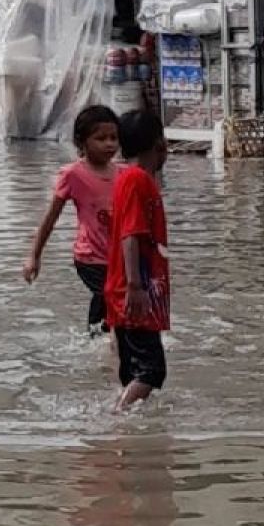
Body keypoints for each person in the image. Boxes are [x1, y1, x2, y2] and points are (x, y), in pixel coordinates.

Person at [23, 105, 121, 336]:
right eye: (101, 138)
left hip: (116, 257)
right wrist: (34, 256)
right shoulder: (72, 174)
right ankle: (98, 340)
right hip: (89, 256)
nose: (109, 144)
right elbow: (51, 217)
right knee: (107, 294)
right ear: (82, 142)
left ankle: (100, 340)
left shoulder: (123, 174)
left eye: (114, 138)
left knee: (113, 298)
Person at [104, 111, 170, 410]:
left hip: (131, 289)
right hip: (135, 291)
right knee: (152, 370)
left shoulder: (129, 179)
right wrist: (135, 285)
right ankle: (118, 416)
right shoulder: (136, 180)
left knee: (134, 370)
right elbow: (130, 234)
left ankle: (124, 436)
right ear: (160, 144)